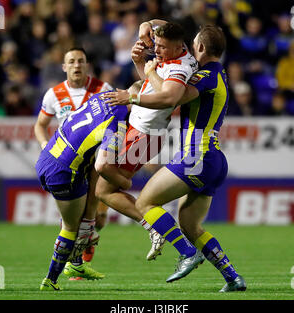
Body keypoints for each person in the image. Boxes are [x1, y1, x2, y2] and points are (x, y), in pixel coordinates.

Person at [104, 24, 246, 292]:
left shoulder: (204, 75)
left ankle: (187, 253)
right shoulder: (219, 74)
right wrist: (147, 30)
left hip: (197, 155)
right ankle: (232, 277)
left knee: (146, 203)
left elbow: (172, 98)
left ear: (201, 47)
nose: (191, 48)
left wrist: (138, 88)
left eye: (194, 43)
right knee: (191, 225)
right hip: (214, 159)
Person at [95, 21, 198, 261]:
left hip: (143, 135)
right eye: (156, 44)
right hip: (133, 125)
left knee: (103, 186)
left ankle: (152, 222)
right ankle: (147, 218)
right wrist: (145, 32)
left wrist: (137, 88)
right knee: (99, 179)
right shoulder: (176, 51)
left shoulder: (179, 69)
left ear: (176, 47)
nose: (157, 50)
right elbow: (152, 87)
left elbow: (166, 99)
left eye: (162, 47)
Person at [36, 85, 140, 290]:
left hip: (48, 156)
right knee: (70, 227)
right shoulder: (117, 122)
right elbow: (103, 164)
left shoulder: (101, 96)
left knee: (80, 216)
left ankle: (77, 261)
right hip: (64, 170)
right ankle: (52, 279)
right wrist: (125, 182)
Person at [34, 47, 113, 280]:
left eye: (81, 61)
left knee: (99, 220)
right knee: (74, 218)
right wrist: (45, 146)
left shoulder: (102, 89)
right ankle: (76, 266)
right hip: (69, 164)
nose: (77, 65)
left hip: (96, 162)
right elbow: (40, 125)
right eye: (72, 61)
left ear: (87, 65)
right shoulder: (54, 94)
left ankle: (79, 262)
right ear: (64, 67)